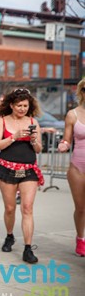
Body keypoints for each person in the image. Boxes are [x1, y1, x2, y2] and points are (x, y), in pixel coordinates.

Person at [0, 88, 43, 264]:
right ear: (12, 105)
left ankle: (28, 249)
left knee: (27, 208)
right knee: (10, 208)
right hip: (7, 168)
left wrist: (34, 140)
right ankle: (9, 236)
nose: (22, 109)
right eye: (19, 105)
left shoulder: (33, 122)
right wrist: (14, 137)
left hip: (29, 169)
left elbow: (39, 149)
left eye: (26, 106)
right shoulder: (2, 121)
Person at [57, 78, 85, 257]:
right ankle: (80, 239)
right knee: (81, 207)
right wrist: (63, 145)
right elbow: (67, 139)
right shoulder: (72, 114)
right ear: (82, 92)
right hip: (78, 168)